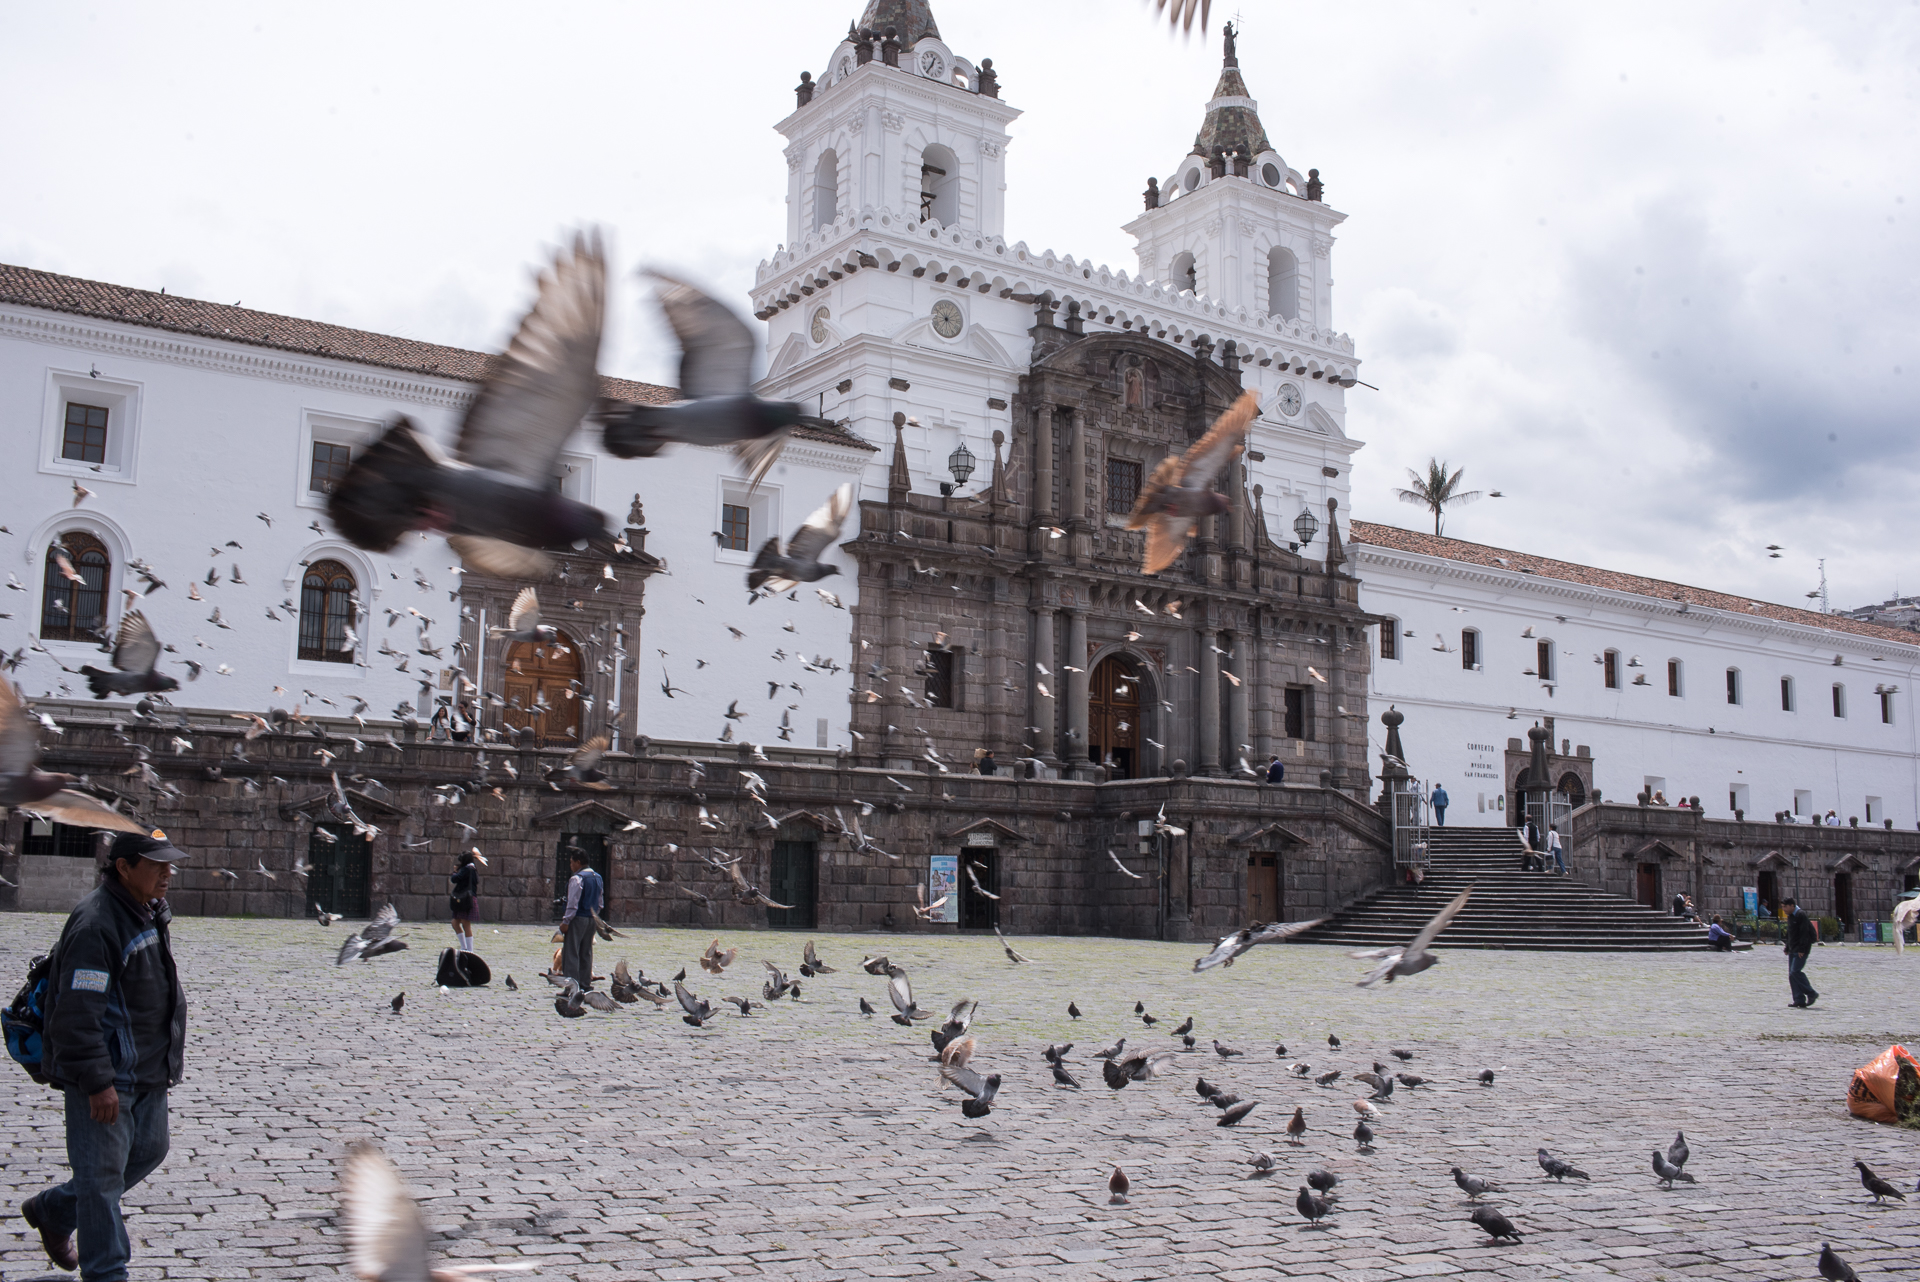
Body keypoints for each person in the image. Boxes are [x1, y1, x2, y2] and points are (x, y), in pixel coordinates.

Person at [23, 831, 190, 1280]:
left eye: (169, 865)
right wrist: (98, 1082)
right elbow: (77, 1012)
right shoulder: (97, 924)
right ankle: (107, 1272)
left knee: (150, 1151)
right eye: (157, 865)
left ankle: (56, 1209)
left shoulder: (147, 911)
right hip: (110, 1076)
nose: (167, 874)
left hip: (148, 1070)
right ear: (123, 867)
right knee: (100, 1183)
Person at [557, 847, 603, 989]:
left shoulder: (577, 879)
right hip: (591, 919)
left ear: (578, 862)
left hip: (578, 918)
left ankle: (571, 987)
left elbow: (573, 903)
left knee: (571, 954)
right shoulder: (598, 877)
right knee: (586, 952)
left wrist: (566, 921)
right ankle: (585, 984)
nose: (570, 866)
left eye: (571, 862)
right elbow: (600, 903)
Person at [1783, 896, 1819, 1008]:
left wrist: (1802, 949)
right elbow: (1791, 933)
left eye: (1785, 907)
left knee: (1795, 972)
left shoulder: (1800, 915)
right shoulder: (1790, 916)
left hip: (1801, 949)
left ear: (1792, 906)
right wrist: (1787, 947)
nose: (1784, 909)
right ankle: (1798, 999)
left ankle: (1811, 993)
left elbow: (1804, 932)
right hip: (1793, 948)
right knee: (1791, 975)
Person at [449, 850, 479, 952]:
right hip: (465, 898)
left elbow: (455, 879)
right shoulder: (472, 868)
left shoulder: (468, 869)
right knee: (455, 922)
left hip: (466, 899)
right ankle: (464, 947)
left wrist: (455, 872)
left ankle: (469, 950)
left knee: (466, 924)